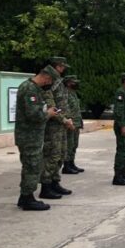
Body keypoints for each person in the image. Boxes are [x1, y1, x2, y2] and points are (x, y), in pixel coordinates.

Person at [15, 67, 59, 210]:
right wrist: (49, 114)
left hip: (31, 136)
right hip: (29, 136)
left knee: (29, 166)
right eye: (50, 80)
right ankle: (28, 199)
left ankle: (24, 197)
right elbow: (34, 115)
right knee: (32, 167)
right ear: (46, 77)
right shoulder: (30, 89)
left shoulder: (30, 87)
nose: (49, 83)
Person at [40, 57, 74, 200]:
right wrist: (64, 119)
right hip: (53, 125)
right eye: (62, 66)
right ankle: (45, 187)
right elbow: (51, 105)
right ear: (56, 66)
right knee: (51, 156)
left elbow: (63, 103)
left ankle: (55, 182)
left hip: (62, 124)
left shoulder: (60, 82)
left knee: (61, 154)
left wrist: (68, 119)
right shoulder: (49, 82)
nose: (63, 68)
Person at [62, 76, 84, 174]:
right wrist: (68, 121)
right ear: (68, 83)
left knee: (74, 145)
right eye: (73, 82)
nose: (75, 84)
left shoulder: (73, 93)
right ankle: (66, 166)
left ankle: (72, 163)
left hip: (76, 123)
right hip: (70, 123)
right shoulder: (65, 93)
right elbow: (65, 109)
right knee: (69, 145)